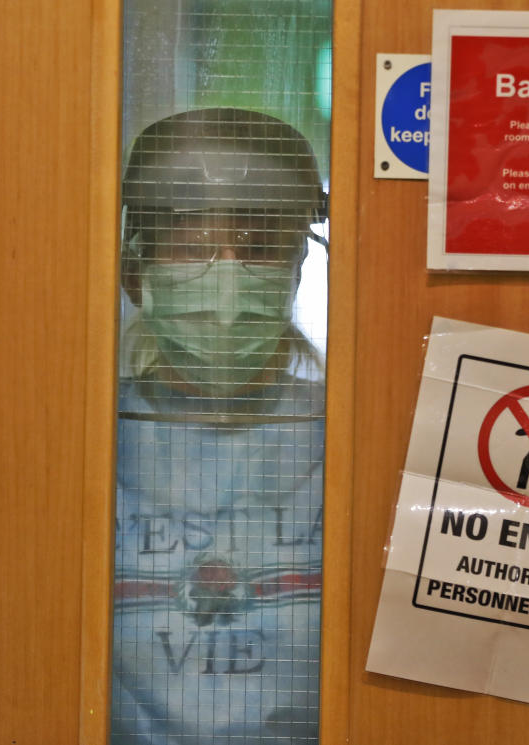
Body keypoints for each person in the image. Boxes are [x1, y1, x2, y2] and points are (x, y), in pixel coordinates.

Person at [111, 108, 326, 744]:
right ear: (135, 274)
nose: (227, 273)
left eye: (257, 247)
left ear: (294, 270)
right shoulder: (88, 439)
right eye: (193, 246)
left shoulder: (346, 436)